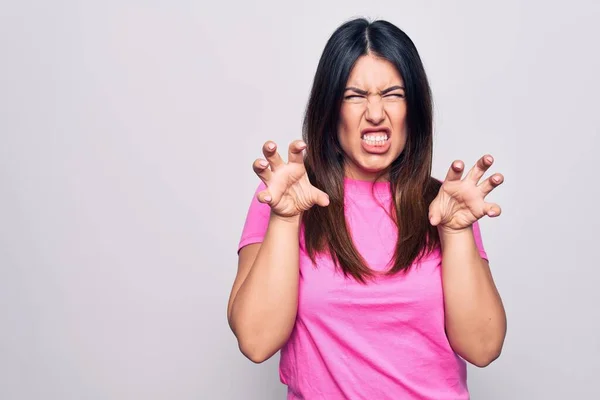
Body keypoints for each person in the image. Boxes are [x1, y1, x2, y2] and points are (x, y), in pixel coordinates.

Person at [227, 17, 507, 400]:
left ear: (414, 109)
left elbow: (483, 347)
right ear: (331, 109)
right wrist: (285, 219)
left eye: (393, 94)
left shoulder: (446, 205)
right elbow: (256, 341)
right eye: (355, 95)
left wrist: (456, 233)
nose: (375, 113)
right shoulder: (286, 200)